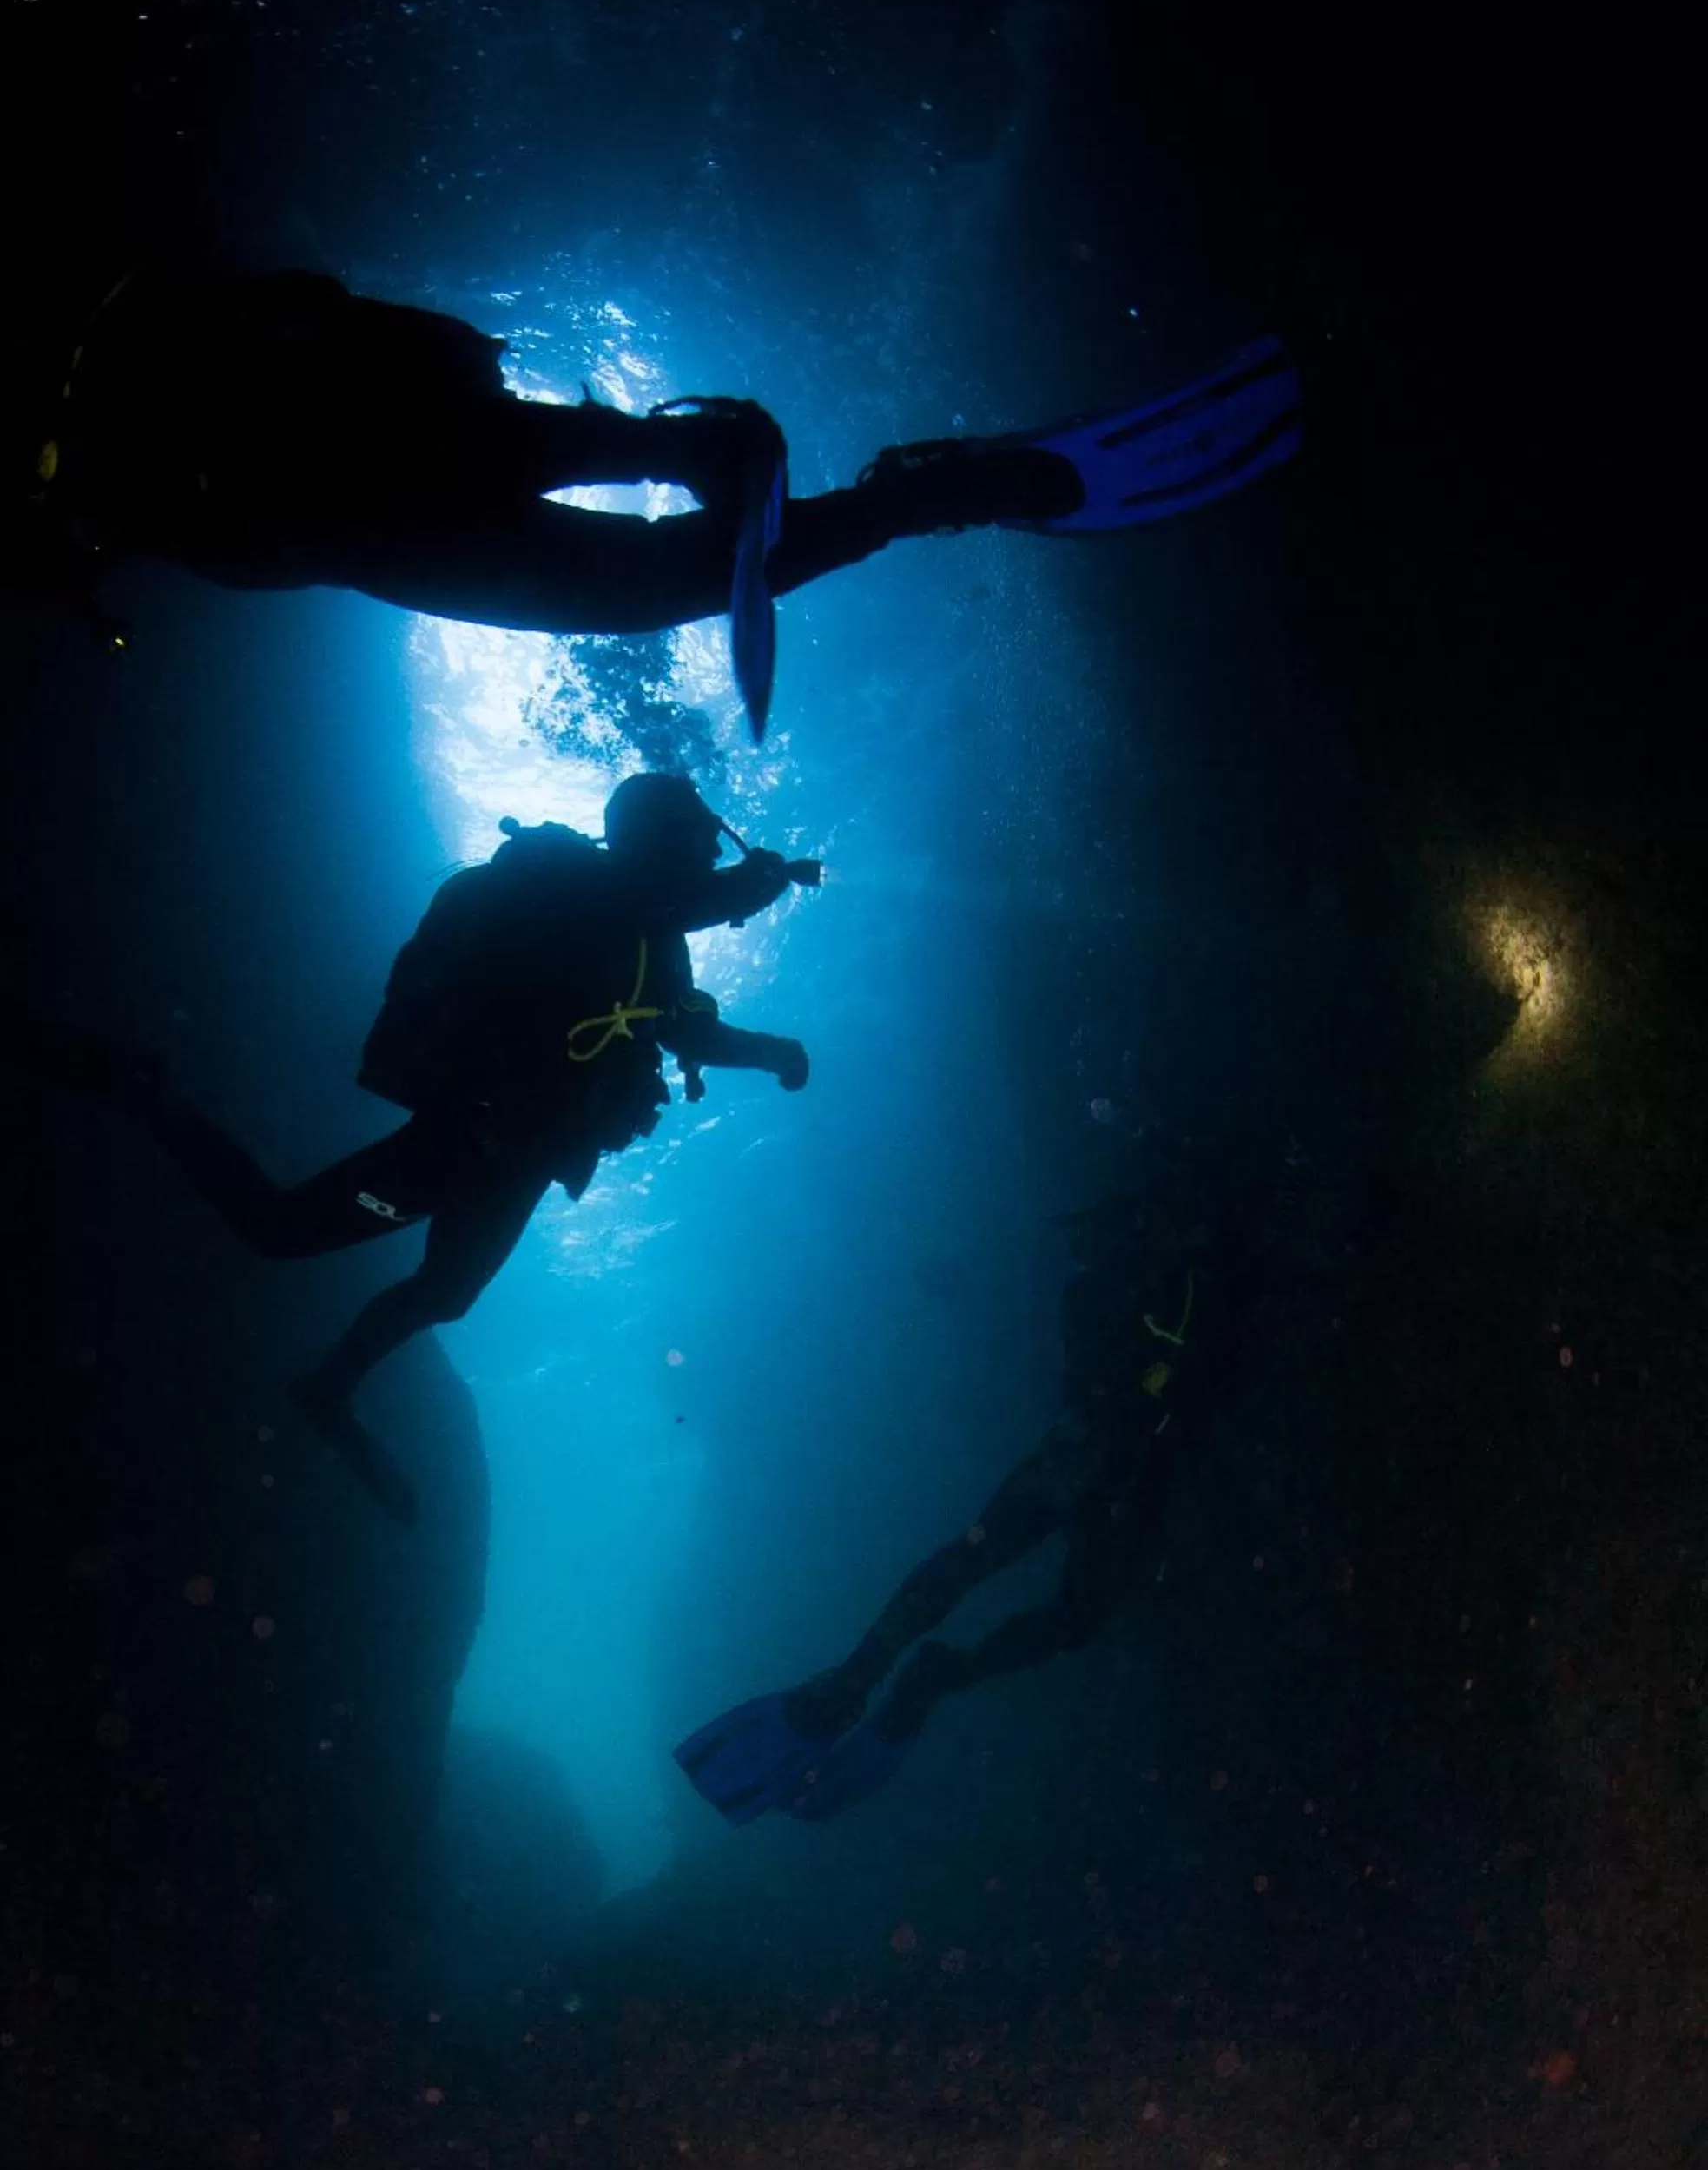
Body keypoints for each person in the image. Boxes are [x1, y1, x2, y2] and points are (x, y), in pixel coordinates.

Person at [6, 265, 1303, 734]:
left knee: (656, 560)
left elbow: (283, 310)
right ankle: (910, 494)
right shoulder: (105, 451)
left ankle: (869, 487)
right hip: (355, 492)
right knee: (658, 580)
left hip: (357, 462)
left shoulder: (116, 368)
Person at [3, 773, 812, 1525]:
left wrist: (772, 1051)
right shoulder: (582, 890)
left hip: (524, 1156)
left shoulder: (658, 938)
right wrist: (758, 883)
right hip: (470, 1136)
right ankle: (147, 1093)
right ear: (657, 835)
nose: (716, 847)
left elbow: (691, 1027)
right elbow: (677, 901)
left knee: (446, 1293)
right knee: (278, 1231)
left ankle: (329, 1387)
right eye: (704, 833)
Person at [676, 1137, 1262, 1822]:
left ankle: (891, 1675)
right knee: (1041, 1595)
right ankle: (897, 1676)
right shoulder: (1144, 1273)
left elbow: (1113, 1363)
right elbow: (1122, 1366)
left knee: (1006, 1573)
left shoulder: (1133, 1274)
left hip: (1100, 1456)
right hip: (1111, 1459)